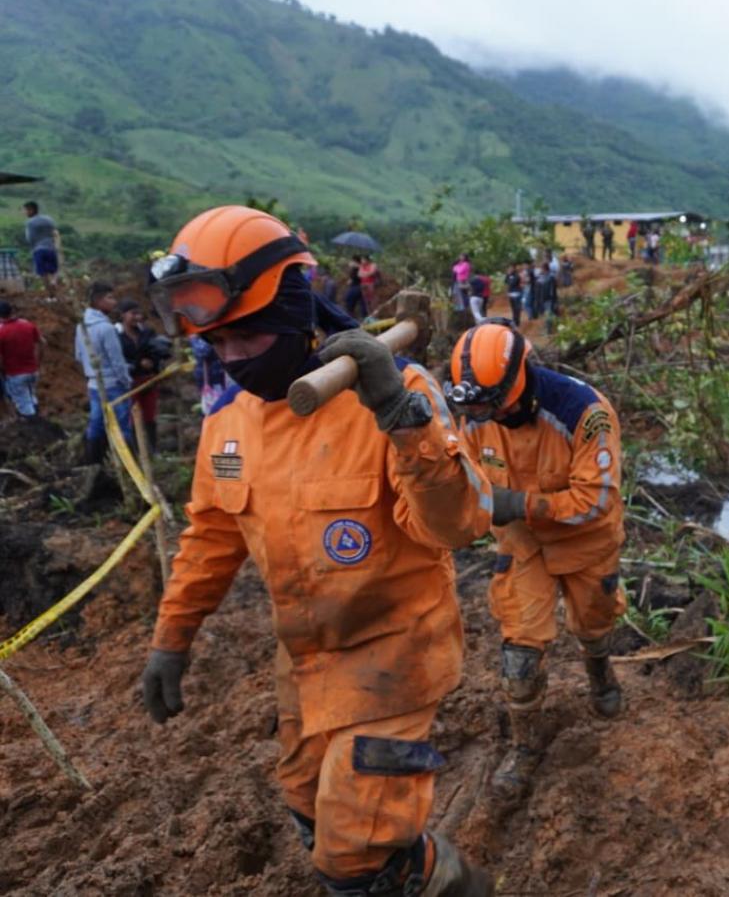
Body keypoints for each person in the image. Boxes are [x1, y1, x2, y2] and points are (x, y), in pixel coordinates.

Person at [140, 205, 494, 896]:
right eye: (217, 341)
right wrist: (171, 637)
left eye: (247, 335)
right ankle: (429, 874)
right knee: (308, 808)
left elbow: (462, 524)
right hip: (303, 664)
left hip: (396, 656)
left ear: (292, 313)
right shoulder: (228, 426)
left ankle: (450, 883)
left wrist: (401, 419)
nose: (232, 357)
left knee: (354, 856)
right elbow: (210, 539)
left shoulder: (395, 395)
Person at [447, 321, 626, 802]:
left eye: (496, 406)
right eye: (479, 409)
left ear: (521, 376)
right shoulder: (475, 416)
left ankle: (599, 671)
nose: (489, 416)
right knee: (519, 651)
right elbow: (466, 477)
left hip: (586, 539)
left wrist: (520, 504)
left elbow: (597, 499)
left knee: (593, 621)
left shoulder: (582, 412)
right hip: (524, 544)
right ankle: (524, 746)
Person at [75, 282, 133, 463]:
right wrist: (126, 381)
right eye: (110, 298)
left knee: (96, 422)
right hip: (113, 384)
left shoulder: (81, 326)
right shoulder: (106, 328)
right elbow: (117, 361)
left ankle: (93, 461)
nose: (114, 302)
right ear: (98, 301)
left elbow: (78, 355)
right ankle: (128, 461)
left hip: (93, 384)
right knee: (123, 424)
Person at [116, 299, 170, 451]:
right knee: (131, 415)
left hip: (148, 379)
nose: (137, 317)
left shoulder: (147, 332)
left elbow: (157, 351)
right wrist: (138, 364)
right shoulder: (116, 335)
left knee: (149, 415)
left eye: (138, 314)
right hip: (129, 381)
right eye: (133, 314)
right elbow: (117, 359)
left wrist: (153, 361)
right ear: (123, 315)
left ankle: (152, 449)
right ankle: (136, 450)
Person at [0, 300, 45, 418]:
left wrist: (3, 371)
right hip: (32, 370)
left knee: (23, 405)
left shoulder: (1, 331)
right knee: (31, 397)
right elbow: (42, 343)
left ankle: (33, 424)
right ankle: (40, 421)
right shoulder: (27, 324)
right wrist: (38, 362)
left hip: (15, 374)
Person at [23, 201, 59, 297]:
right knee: (54, 270)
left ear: (31, 210)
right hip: (51, 249)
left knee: (43, 273)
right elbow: (54, 232)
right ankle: (54, 282)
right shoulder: (49, 219)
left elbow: (29, 238)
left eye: (25, 210)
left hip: (38, 250)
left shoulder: (30, 222)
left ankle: (51, 295)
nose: (24, 213)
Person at [190, 334, 229, 416]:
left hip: (216, 375)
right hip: (209, 376)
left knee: (219, 404)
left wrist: (193, 339)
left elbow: (203, 352)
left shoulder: (207, 335)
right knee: (211, 402)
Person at [535, 262, 558, 333]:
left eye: (541, 268)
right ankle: (547, 328)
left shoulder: (550, 277)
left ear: (544, 269)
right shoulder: (541, 277)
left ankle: (549, 330)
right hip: (543, 299)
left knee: (548, 314)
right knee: (546, 314)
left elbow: (552, 290)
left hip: (548, 299)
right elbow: (538, 290)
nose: (540, 270)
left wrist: (553, 300)